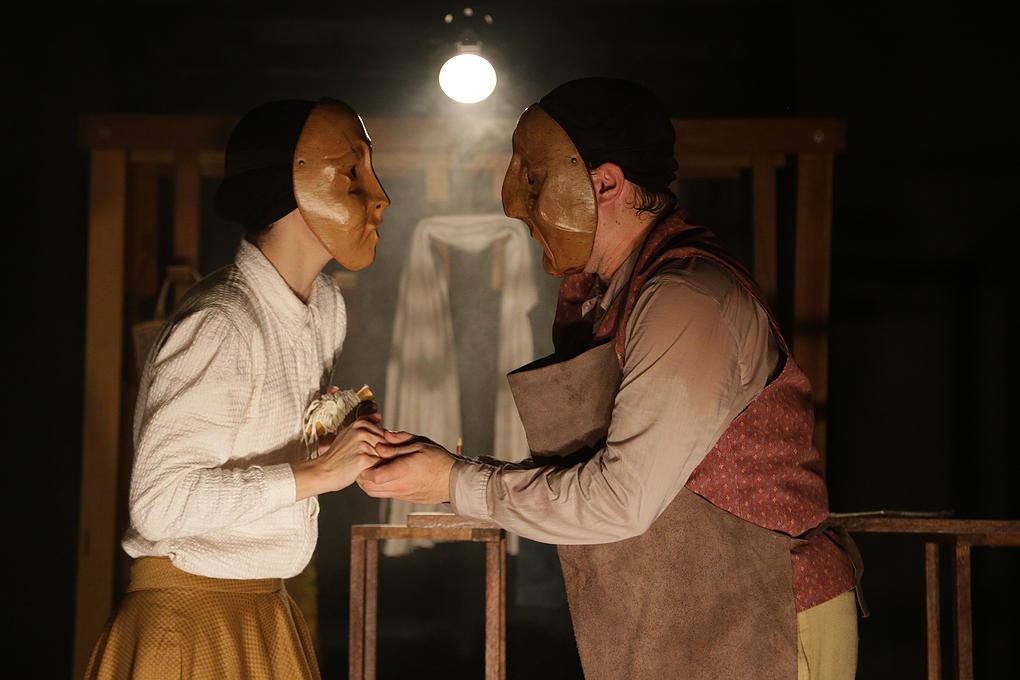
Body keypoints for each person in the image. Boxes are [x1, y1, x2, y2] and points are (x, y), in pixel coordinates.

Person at [358, 78, 862, 679]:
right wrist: (447, 472)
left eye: (534, 180)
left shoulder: (684, 298)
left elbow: (621, 499)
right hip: (694, 614)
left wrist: (454, 480)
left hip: (765, 618)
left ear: (605, 183)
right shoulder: (618, 294)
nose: (517, 205)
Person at [85, 97, 390, 680]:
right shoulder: (222, 322)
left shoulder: (324, 307)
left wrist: (344, 446)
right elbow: (158, 504)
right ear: (296, 185)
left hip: (265, 607)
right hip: (188, 618)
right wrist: (317, 475)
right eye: (352, 173)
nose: (379, 198)